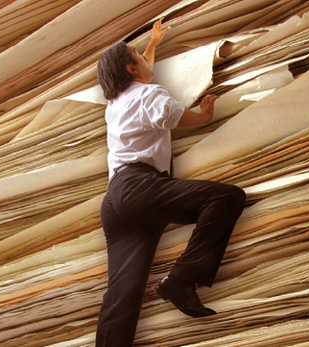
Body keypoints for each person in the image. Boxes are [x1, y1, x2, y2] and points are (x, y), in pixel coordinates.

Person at [94, 19, 247, 346]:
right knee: (226, 198)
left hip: (116, 202)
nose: (146, 59)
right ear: (131, 69)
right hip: (139, 188)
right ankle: (181, 280)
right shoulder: (148, 95)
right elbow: (170, 114)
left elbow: (139, 70)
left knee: (123, 294)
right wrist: (203, 118)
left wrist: (152, 43)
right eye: (139, 56)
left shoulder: (115, 103)